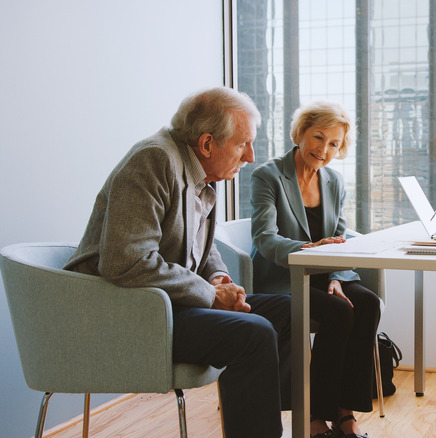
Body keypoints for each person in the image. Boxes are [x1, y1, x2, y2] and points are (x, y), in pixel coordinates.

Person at [64, 87, 291, 438]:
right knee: (255, 333)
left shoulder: (201, 173)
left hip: (169, 305)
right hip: (126, 314)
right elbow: (126, 260)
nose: (251, 155)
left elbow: (203, 247)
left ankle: (300, 425)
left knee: (290, 311)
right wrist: (210, 295)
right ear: (206, 144)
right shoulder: (153, 161)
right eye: (243, 143)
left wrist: (216, 278)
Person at [250, 100, 380, 438]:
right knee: (338, 313)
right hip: (285, 276)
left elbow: (340, 236)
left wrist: (336, 275)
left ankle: (345, 412)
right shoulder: (269, 176)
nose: (323, 149)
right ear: (300, 134)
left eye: (333, 143)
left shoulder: (334, 181)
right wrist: (309, 250)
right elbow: (265, 239)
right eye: (318, 137)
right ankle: (314, 417)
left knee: (366, 304)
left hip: (325, 271)